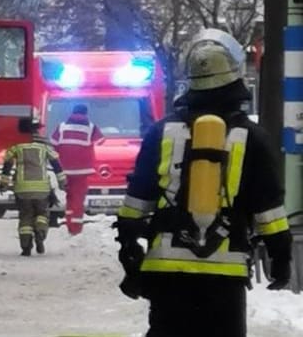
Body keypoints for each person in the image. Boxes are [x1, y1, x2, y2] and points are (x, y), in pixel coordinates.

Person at [114, 29, 293, 337]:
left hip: (166, 272)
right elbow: (269, 211)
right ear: (235, 79)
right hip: (225, 275)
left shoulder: (161, 133)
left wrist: (129, 248)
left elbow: (136, 201)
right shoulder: (253, 138)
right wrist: (281, 258)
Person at [0, 115, 67, 256]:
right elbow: (56, 164)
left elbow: (7, 165)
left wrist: (4, 184)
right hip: (42, 189)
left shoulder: (15, 146)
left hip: (22, 189)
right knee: (42, 214)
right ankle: (40, 233)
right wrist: (62, 182)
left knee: (25, 216)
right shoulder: (44, 146)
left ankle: (25, 247)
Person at [50, 102, 105, 235]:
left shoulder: (61, 127)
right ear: (86, 114)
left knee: (69, 196)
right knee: (78, 198)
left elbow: (53, 143)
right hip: (82, 170)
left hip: (63, 169)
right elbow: (100, 141)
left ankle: (69, 223)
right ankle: (76, 228)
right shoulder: (91, 128)